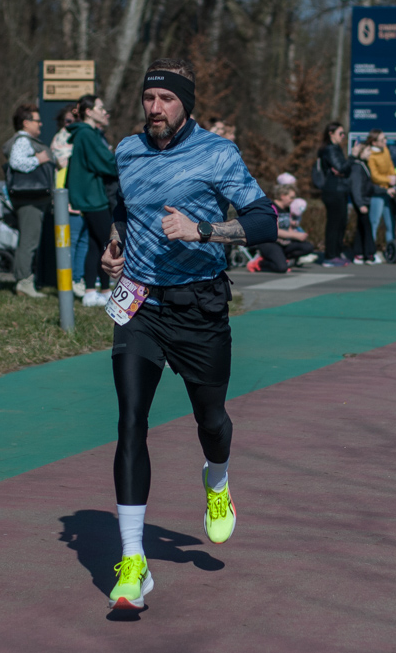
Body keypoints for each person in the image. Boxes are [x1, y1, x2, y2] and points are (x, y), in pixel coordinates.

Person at [100, 57, 275, 611]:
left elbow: (265, 221)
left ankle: (217, 481)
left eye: (166, 99)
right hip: (142, 305)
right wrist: (115, 247)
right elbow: (123, 209)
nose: (155, 108)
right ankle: (134, 562)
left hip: (200, 306)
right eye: (149, 98)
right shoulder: (126, 150)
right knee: (130, 422)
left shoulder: (217, 154)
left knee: (212, 421)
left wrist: (203, 229)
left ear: (185, 105)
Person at [68, 95, 119, 306]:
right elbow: (106, 162)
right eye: (99, 107)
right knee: (108, 243)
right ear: (89, 112)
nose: (104, 111)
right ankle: (98, 290)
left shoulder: (87, 134)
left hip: (91, 196)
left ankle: (96, 290)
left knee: (96, 244)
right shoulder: (87, 134)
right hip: (92, 197)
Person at [3, 104, 54, 298]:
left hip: (31, 198)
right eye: (36, 120)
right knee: (29, 240)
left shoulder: (25, 140)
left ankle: (25, 280)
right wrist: (39, 160)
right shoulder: (23, 141)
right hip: (29, 199)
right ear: (25, 123)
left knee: (29, 239)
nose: (40, 123)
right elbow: (17, 162)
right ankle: (24, 281)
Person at [51, 105, 89, 298]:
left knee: (83, 241)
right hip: (66, 198)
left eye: (75, 121)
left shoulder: (82, 137)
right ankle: (68, 283)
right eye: (68, 121)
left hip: (81, 198)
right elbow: (68, 160)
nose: (71, 124)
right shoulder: (60, 138)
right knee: (71, 242)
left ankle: (78, 279)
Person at [247, 184, 317, 273]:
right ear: (282, 196)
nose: (293, 200)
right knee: (281, 268)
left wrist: (297, 232)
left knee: (308, 247)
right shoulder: (272, 208)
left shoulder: (287, 208)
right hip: (270, 242)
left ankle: (282, 258)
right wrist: (295, 235)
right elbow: (275, 230)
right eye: (291, 197)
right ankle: (259, 263)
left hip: (283, 242)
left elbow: (288, 227)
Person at [315, 122, 352, 267]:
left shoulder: (336, 149)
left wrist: (343, 169)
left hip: (340, 189)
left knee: (341, 222)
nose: (343, 136)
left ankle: (336, 253)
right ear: (331, 134)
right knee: (334, 223)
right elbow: (342, 168)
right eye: (340, 133)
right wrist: (353, 158)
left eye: (344, 133)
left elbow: (345, 171)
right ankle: (330, 256)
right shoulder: (330, 149)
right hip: (333, 190)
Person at [366, 132, 396, 253]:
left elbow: (390, 166)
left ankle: (391, 251)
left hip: (388, 191)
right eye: (382, 139)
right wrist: (387, 180)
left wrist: (394, 176)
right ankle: (371, 251)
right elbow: (374, 176)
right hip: (377, 192)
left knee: (390, 223)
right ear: (374, 142)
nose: (385, 141)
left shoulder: (385, 150)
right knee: (374, 222)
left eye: (385, 138)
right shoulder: (371, 155)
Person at [347, 139, 376, 264]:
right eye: (368, 151)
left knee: (361, 227)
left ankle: (358, 253)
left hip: (365, 200)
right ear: (361, 152)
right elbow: (356, 188)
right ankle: (369, 253)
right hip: (362, 202)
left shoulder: (364, 165)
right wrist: (360, 204)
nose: (370, 153)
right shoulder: (357, 167)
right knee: (367, 226)